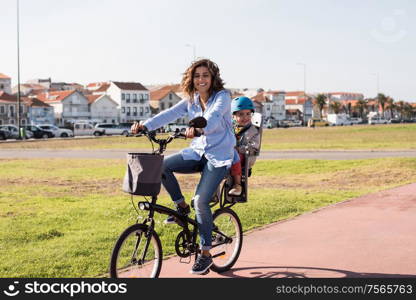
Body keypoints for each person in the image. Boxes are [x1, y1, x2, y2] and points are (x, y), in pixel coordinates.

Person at [131, 58, 235, 275]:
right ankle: (181, 208)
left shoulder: (223, 97)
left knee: (200, 201)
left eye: (205, 75)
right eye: (197, 76)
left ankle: (205, 254)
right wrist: (145, 126)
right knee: (160, 166)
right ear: (192, 79)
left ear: (213, 77)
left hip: (219, 156)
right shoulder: (192, 99)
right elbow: (169, 114)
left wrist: (199, 127)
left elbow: (213, 117)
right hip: (198, 151)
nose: (201, 79)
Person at [228, 97, 261, 196]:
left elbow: (254, 147)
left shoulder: (253, 131)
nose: (245, 117)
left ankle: (237, 185)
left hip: (246, 157)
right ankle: (211, 192)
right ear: (233, 116)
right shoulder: (230, 128)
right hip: (229, 156)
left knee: (235, 155)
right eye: (241, 114)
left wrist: (239, 149)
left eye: (248, 114)